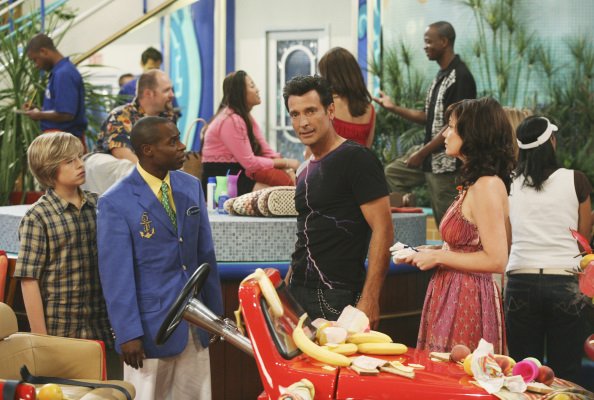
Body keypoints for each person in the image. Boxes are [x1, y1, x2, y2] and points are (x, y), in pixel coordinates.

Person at [97, 116, 223, 400]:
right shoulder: (115, 201)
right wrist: (128, 333)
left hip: (196, 325)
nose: (182, 147)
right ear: (148, 150)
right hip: (149, 330)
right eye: (173, 141)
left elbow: (205, 255)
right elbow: (116, 276)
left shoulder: (191, 185)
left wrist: (215, 316)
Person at [400, 97, 516, 353]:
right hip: (454, 291)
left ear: (473, 133)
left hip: (468, 297)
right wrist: (430, 252)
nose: (445, 134)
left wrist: (439, 257)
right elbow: (469, 245)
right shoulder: (477, 183)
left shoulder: (486, 185)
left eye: (451, 127)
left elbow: (497, 259)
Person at [282, 75, 393, 329]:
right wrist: (286, 290)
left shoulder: (357, 159)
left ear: (330, 111)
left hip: (337, 297)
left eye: (311, 111)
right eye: (295, 114)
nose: (303, 122)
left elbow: (383, 229)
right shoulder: (303, 170)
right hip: (297, 294)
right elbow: (305, 235)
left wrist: (370, 298)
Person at [12, 132, 119, 378]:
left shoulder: (100, 205)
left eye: (79, 157)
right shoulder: (38, 217)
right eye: (69, 161)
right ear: (50, 170)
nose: (80, 165)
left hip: (103, 328)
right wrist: (41, 340)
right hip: (61, 331)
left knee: (109, 389)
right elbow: (29, 281)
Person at [505, 116, 592, 383]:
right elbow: (583, 241)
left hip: (520, 280)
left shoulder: (508, 184)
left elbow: (507, 240)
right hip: (565, 284)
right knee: (566, 374)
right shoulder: (576, 180)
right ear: (551, 142)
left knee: (523, 375)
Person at [375, 21, 476, 225]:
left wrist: (421, 153)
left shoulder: (460, 76)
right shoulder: (441, 75)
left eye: (429, 42)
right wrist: (393, 108)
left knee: (448, 224)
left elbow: (454, 124)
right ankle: (407, 210)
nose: (425, 47)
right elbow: (428, 117)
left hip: (447, 164)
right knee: (393, 173)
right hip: (430, 157)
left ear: (444, 42)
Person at [201, 70, 300, 196]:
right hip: (222, 178)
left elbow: (266, 151)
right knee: (277, 196)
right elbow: (250, 163)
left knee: (283, 191)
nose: (258, 90)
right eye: (252, 86)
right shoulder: (230, 119)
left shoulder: (245, 117)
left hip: (239, 174)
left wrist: (287, 168)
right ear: (240, 92)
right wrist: (286, 162)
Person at [96, 69, 176, 163]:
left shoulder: (168, 117)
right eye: (166, 90)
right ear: (148, 93)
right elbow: (123, 155)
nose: (172, 95)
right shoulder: (121, 116)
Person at [23, 34, 87, 146]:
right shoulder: (59, 72)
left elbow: (66, 114)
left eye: (35, 60)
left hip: (65, 143)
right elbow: (59, 108)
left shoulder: (64, 74)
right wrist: (39, 110)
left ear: (43, 51)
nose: (36, 65)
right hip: (59, 140)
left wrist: (39, 115)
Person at [318, 47, 375, 148]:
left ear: (330, 77)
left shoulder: (327, 105)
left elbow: (314, 150)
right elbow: (367, 150)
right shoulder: (370, 109)